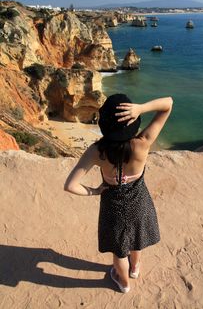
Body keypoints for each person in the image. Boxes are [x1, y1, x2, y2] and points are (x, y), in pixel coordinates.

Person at [64, 94, 173, 293]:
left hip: (112, 207)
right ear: (132, 124)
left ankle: (123, 283)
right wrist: (140, 108)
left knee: (119, 251)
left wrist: (95, 191)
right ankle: (135, 269)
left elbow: (70, 186)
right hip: (139, 202)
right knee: (136, 239)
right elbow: (168, 104)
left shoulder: (96, 151)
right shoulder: (143, 143)